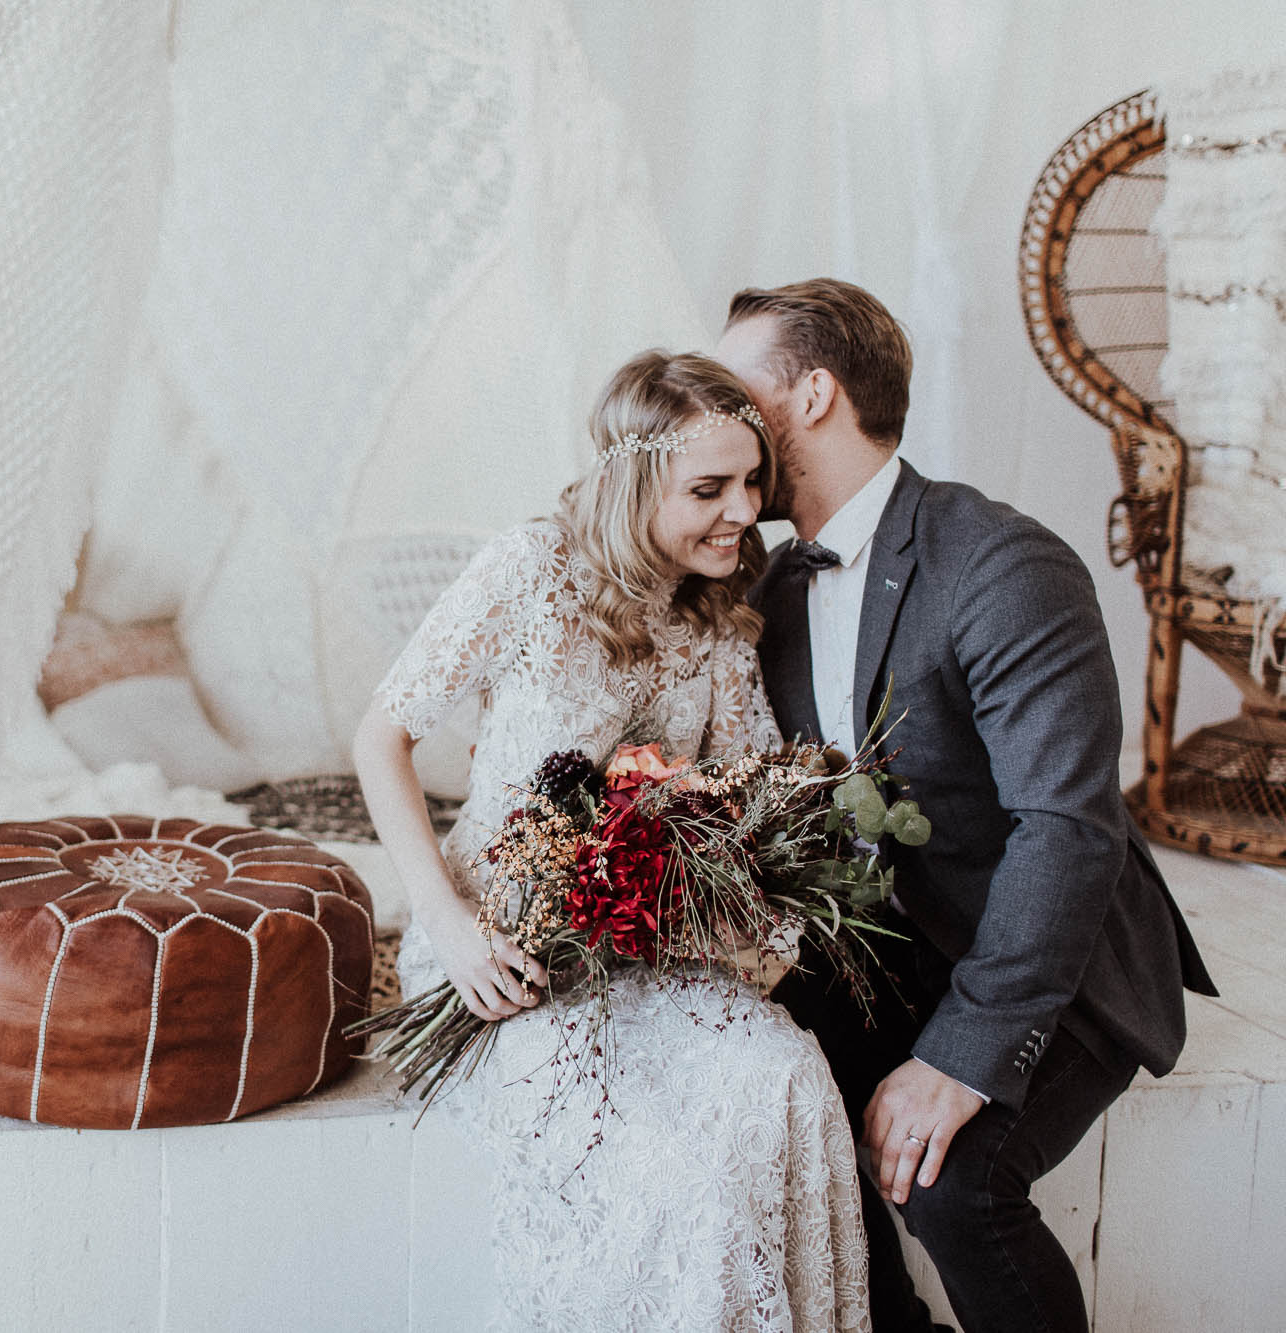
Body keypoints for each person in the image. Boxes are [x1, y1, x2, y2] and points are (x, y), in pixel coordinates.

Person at [716, 278, 1218, 1333]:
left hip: (1055, 959)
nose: (714, 414)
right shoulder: (764, 589)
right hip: (894, 945)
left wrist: (959, 1056)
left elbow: (1066, 829)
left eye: (735, 387)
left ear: (810, 394)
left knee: (949, 1184)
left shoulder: (1001, 564)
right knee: (765, 1110)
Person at [353, 350, 870, 1332]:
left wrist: (735, 872)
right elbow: (380, 738)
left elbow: (743, 790)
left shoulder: (718, 608)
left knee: (786, 1076)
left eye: (751, 481)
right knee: (674, 1188)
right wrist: (448, 922)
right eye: (708, 488)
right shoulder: (528, 569)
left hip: (644, 934)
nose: (740, 509)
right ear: (633, 483)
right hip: (501, 943)